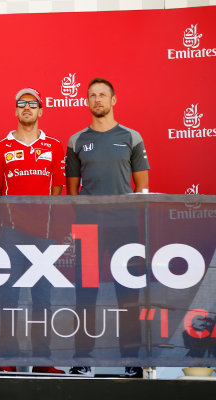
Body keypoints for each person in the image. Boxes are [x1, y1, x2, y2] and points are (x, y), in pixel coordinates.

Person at [65, 78, 150, 377]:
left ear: (113, 100)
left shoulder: (131, 137)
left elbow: (142, 188)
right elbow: (72, 192)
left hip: (125, 226)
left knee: (128, 294)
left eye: (103, 95)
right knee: (84, 294)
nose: (97, 99)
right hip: (88, 227)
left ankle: (132, 361)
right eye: (92, 96)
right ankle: (81, 359)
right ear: (87, 102)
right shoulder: (76, 140)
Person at [0, 88, 65, 373]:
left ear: (41, 111)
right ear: (16, 111)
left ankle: (42, 361)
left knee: (41, 296)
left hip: (43, 233)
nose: (27, 108)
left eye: (33, 104)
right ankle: (6, 357)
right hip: (10, 232)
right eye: (22, 104)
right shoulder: (1, 147)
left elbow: (57, 190)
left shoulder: (54, 146)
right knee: (8, 294)